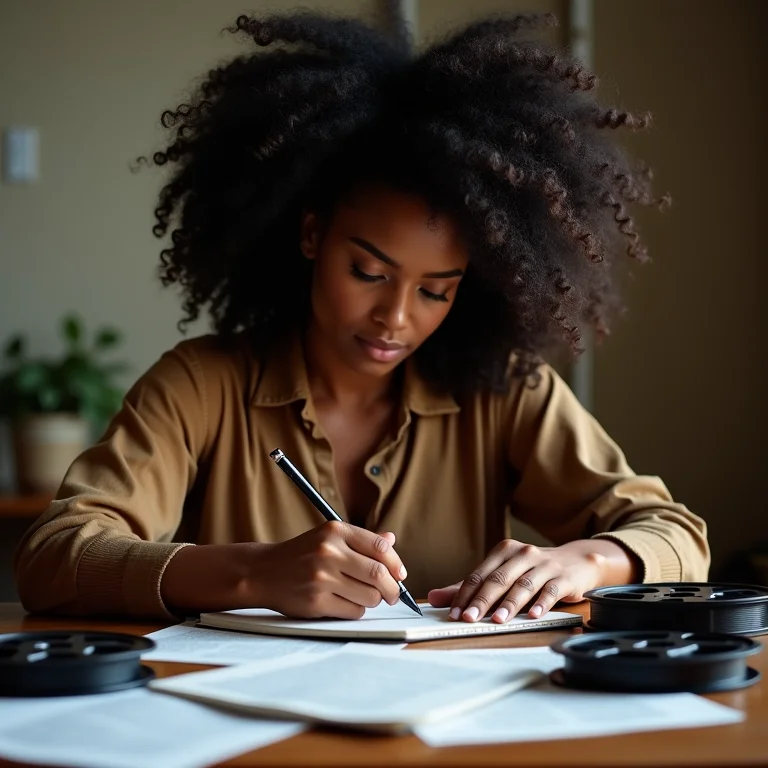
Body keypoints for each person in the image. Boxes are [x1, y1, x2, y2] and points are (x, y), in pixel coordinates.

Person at [13, 11, 709, 622]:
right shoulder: (200, 387)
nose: (395, 319)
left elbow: (676, 535)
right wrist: (251, 574)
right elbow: (53, 557)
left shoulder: (506, 391)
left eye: (436, 290)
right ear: (312, 235)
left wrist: (587, 563)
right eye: (369, 273)